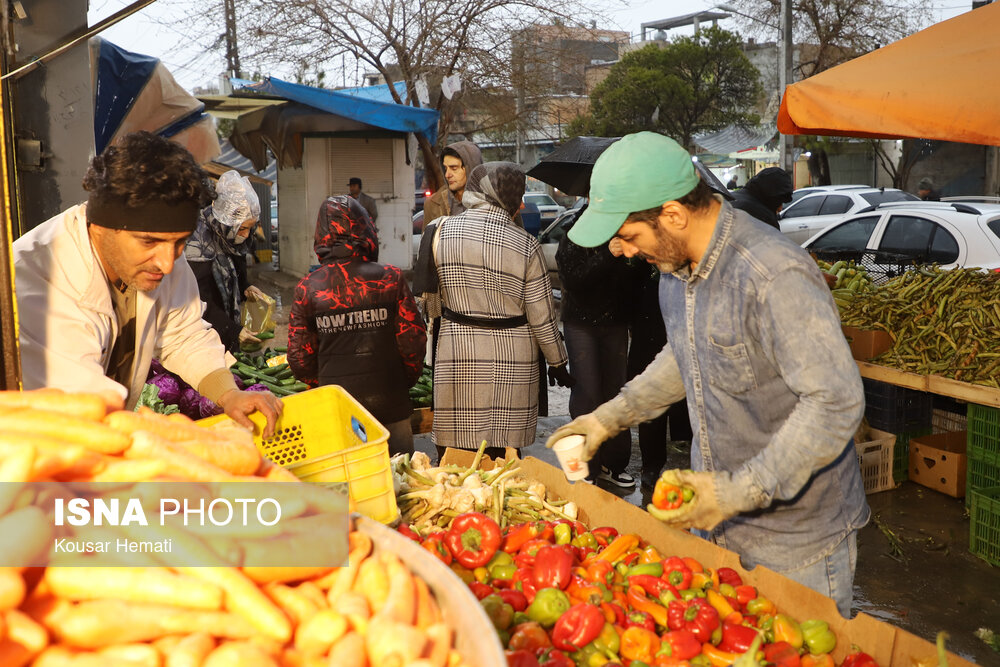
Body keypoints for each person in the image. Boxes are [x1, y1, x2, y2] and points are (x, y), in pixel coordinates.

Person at [546, 132, 869, 618]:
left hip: (795, 543)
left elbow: (836, 402)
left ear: (673, 215)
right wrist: (608, 418)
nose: (624, 252)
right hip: (712, 527)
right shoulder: (675, 274)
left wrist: (738, 492)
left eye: (631, 236)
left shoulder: (773, 275)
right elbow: (684, 357)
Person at [14, 131, 282, 435]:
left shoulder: (163, 259)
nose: (167, 263)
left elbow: (183, 333)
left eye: (180, 242)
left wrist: (229, 393)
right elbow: (77, 406)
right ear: (102, 226)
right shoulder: (41, 280)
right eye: (148, 242)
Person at [426, 161, 571, 457]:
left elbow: (430, 303)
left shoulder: (438, 231)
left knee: (454, 462)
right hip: (513, 361)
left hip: (457, 352)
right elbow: (542, 320)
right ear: (511, 197)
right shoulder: (527, 245)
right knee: (503, 465)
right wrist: (557, 362)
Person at [288, 196, 427, 456]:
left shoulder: (307, 288)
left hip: (337, 411)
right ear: (365, 228)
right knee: (403, 488)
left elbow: (299, 360)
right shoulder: (390, 278)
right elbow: (414, 343)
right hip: (391, 406)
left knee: (350, 489)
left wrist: (326, 380)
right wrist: (399, 382)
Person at [556, 227, 638, 487]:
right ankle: (585, 467)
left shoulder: (627, 229)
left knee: (616, 393)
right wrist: (607, 255)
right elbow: (573, 280)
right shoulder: (575, 232)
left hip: (616, 322)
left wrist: (627, 258)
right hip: (581, 323)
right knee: (587, 393)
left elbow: (635, 282)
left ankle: (613, 464)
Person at [185, 170, 267, 354]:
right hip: (203, 337)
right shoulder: (198, 243)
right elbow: (198, 301)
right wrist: (232, 330)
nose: (246, 235)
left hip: (227, 329)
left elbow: (236, 269)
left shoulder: (232, 238)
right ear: (226, 221)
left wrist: (245, 286)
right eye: (243, 228)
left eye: (250, 227)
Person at [421, 141, 483, 224]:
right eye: (445, 169)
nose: (447, 175)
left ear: (470, 169)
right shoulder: (433, 204)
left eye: (454, 168)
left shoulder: (491, 201)